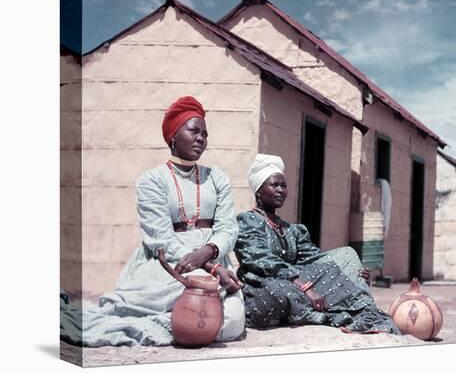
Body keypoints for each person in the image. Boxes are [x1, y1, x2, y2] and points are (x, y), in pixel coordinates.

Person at [61, 96, 245, 346]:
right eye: (194, 131)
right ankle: (172, 319)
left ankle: (181, 320)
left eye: (205, 133)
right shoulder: (152, 180)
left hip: (215, 261)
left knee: (231, 325)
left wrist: (209, 255)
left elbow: (227, 228)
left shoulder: (217, 178)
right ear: (173, 137)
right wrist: (206, 266)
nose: (201, 138)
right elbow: (160, 237)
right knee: (186, 315)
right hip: (167, 264)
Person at [234, 154, 400, 334]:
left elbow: (316, 260)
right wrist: (301, 284)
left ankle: (367, 314)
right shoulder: (247, 221)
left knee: (346, 255)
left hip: (295, 284)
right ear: (259, 190)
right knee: (279, 290)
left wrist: (350, 273)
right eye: (274, 185)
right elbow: (259, 258)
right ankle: (323, 315)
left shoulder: (291, 230)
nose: (281, 190)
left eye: (284, 185)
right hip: (263, 286)